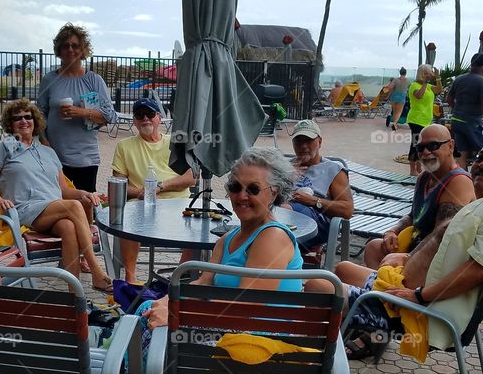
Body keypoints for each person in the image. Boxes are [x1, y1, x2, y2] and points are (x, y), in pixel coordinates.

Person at [336, 138, 483, 361]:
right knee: (343, 269)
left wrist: (418, 296)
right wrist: (407, 257)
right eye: (481, 157)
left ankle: (323, 372)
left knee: (320, 287)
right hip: (404, 291)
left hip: (418, 311)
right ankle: (354, 340)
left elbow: (481, 270)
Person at [141, 147, 304, 329]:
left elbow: (248, 307)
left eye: (253, 189)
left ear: (274, 193)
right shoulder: (227, 239)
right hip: (228, 327)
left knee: (153, 327)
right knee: (148, 309)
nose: (242, 196)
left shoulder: (273, 237)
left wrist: (177, 312)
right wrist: (169, 300)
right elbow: (204, 283)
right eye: (235, 187)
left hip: (261, 340)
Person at [0, 98, 115, 292]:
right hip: (25, 210)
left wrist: (87, 193)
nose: (24, 121)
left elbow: (65, 191)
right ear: (10, 124)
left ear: (35, 121)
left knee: (68, 226)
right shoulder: (2, 148)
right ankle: (96, 270)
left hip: (54, 209)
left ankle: (74, 296)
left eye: (28, 117)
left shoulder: (48, 151)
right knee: (73, 206)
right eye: (18, 118)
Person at [363, 124, 475, 269]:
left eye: (433, 145)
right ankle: (385, 287)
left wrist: (407, 258)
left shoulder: (458, 182)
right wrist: (392, 231)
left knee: (345, 270)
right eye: (420, 148)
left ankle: (388, 287)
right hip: (417, 247)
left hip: (436, 260)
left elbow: (440, 239)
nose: (426, 152)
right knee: (374, 248)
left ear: (451, 146)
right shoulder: (424, 177)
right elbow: (412, 216)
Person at [110, 97, 196, 284]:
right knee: (127, 219)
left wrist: (159, 187)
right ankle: (131, 279)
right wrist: (142, 192)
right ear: (134, 120)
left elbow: (191, 177)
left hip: (177, 204)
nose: (145, 119)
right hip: (142, 205)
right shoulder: (124, 146)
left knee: (198, 226)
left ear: (159, 117)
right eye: (140, 115)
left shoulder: (175, 142)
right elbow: (118, 183)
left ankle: (180, 275)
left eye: (150, 114)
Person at [36, 23, 117, 192]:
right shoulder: (49, 79)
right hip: (54, 155)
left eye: (75, 45)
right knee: (56, 202)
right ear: (59, 50)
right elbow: (39, 113)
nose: (70, 49)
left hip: (85, 158)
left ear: (83, 49)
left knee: (84, 205)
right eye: (65, 45)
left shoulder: (94, 80)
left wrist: (81, 112)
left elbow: (109, 116)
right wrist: (44, 141)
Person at [287, 119, 353, 251]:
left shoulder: (333, 169)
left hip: (317, 222)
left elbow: (347, 210)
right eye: (298, 141)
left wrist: (313, 201)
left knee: (283, 211)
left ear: (320, 142)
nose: (303, 145)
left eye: (308, 140)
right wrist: (285, 177)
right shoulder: (285, 167)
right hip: (283, 216)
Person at [447, 53, 483, 168]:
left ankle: (463, 181)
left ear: (471, 64)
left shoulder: (459, 79)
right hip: (472, 123)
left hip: (456, 121)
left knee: (462, 154)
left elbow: (449, 99)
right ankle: (482, 180)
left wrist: (457, 109)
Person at [406, 64, 444, 175]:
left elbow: (438, 89)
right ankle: (412, 170)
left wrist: (438, 77)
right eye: (430, 72)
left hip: (426, 120)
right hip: (416, 120)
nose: (431, 73)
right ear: (424, 74)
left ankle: (419, 168)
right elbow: (419, 95)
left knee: (422, 145)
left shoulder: (428, 86)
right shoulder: (414, 85)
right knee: (415, 144)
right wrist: (425, 82)